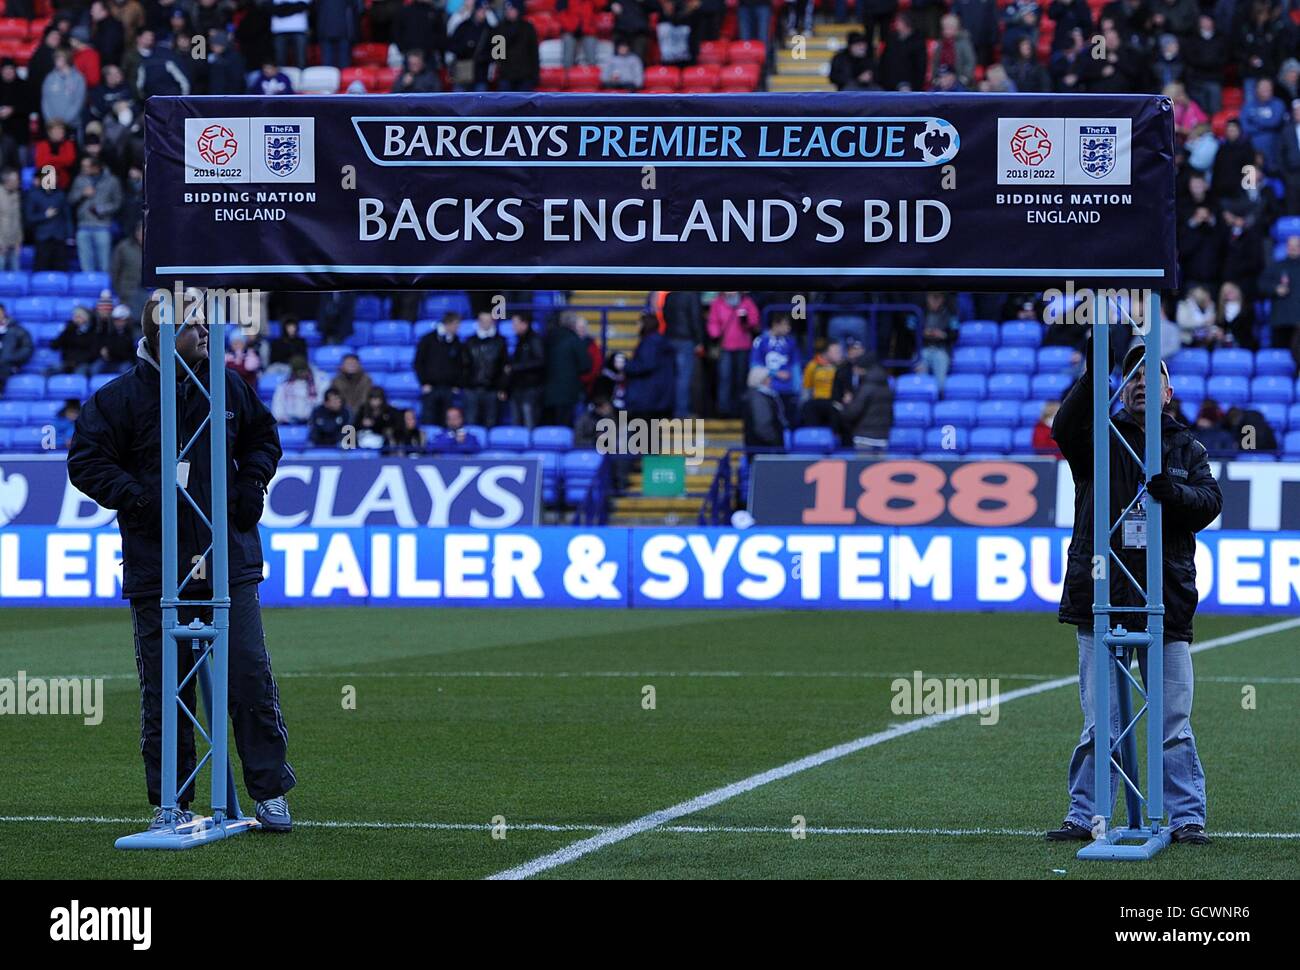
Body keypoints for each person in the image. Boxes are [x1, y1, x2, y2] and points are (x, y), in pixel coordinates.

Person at [67, 295, 296, 834]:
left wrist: (251, 484)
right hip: (157, 562)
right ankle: (171, 798)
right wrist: (137, 498)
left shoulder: (229, 384)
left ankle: (268, 791)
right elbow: (85, 461)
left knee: (248, 673)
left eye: (202, 321)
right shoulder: (119, 398)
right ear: (161, 332)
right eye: (192, 323)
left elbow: (265, 439)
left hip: (228, 557)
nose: (202, 330)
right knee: (165, 687)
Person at [1046, 337, 1221, 846]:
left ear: (1169, 392)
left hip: (1163, 599)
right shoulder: (1097, 438)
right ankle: (1085, 815)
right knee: (1102, 721)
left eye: (1152, 376)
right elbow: (1062, 428)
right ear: (1122, 391)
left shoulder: (1188, 447)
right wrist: (1090, 373)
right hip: (1102, 596)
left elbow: (1209, 502)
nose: (1142, 382)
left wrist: (1174, 493)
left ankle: (1187, 819)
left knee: (1171, 721)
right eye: (1132, 376)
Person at [707, 291, 760, 418]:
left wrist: (746, 321)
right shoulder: (717, 302)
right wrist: (715, 333)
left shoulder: (746, 302)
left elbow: (755, 320)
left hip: (743, 346)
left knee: (740, 379)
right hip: (725, 347)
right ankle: (724, 410)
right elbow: (712, 322)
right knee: (724, 379)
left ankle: (740, 409)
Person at [834, 349, 893, 450]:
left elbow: (852, 413)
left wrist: (845, 406)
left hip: (865, 438)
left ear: (862, 368)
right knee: (879, 466)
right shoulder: (886, 385)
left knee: (864, 465)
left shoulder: (866, 387)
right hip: (883, 437)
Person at [750, 313, 801, 426]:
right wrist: (774, 373)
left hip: (788, 388)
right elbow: (755, 367)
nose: (788, 328)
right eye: (785, 325)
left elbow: (795, 366)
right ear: (775, 325)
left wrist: (798, 387)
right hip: (767, 388)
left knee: (790, 421)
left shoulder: (790, 342)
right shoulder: (760, 341)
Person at [624, 312, 675, 420]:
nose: (638, 326)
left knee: (644, 433)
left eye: (640, 323)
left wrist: (626, 366)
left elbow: (646, 364)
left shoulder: (650, 343)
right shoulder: (660, 341)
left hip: (648, 397)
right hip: (658, 397)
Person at [464, 313, 507, 427]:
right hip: (472, 388)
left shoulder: (500, 341)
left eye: (488, 320)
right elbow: (463, 364)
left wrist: (502, 387)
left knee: (491, 422)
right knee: (471, 422)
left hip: (492, 389)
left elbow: (504, 366)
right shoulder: (469, 341)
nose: (485, 323)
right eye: (483, 320)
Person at [506, 312, 545, 428]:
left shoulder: (534, 340)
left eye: (515, 323)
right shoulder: (519, 340)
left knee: (529, 422)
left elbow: (540, 361)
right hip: (517, 387)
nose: (513, 326)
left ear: (524, 324)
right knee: (516, 422)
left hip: (530, 388)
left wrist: (515, 367)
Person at [271, 355, 324, 424]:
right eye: (300, 371)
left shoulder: (318, 382)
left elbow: (320, 402)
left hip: (311, 422)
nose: (303, 373)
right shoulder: (284, 386)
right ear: (294, 372)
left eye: (305, 370)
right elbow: (278, 406)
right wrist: (282, 418)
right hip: (288, 423)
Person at [743, 366, 786, 448]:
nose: (770, 380)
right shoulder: (758, 398)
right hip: (764, 448)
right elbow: (762, 426)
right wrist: (775, 441)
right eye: (768, 378)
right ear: (760, 380)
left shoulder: (760, 396)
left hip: (762, 447)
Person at [51, 306, 100, 376]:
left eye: (78, 316)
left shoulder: (93, 332)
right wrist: (66, 331)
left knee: (79, 373)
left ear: (86, 318)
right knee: (49, 371)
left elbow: (93, 353)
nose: (75, 319)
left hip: (83, 363)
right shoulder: (69, 330)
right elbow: (54, 346)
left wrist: (76, 362)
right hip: (67, 363)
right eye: (74, 316)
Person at [96, 304, 138, 374]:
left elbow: (129, 353)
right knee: (96, 367)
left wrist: (110, 352)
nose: (118, 322)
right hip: (110, 361)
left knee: (125, 369)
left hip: (125, 361)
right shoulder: (109, 332)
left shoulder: (133, 333)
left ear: (127, 320)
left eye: (121, 320)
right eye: (116, 320)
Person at [0, 303, 32, 393]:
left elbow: (27, 348)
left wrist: (10, 358)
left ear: (4, 313)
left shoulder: (17, 330)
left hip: (8, 365)